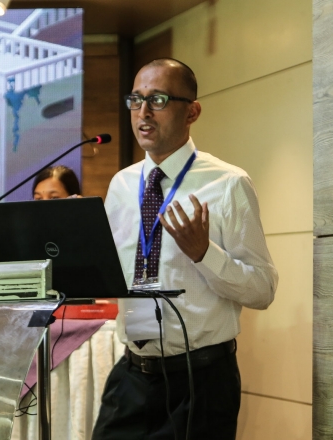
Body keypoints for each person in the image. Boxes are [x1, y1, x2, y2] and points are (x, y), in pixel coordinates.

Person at [93, 59, 278, 439]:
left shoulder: (228, 184)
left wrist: (203, 254)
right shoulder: (121, 186)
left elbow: (263, 290)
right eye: (135, 99)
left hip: (201, 382)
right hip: (131, 375)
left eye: (158, 100)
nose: (143, 112)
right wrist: (76, 241)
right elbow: (108, 272)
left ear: (192, 111)